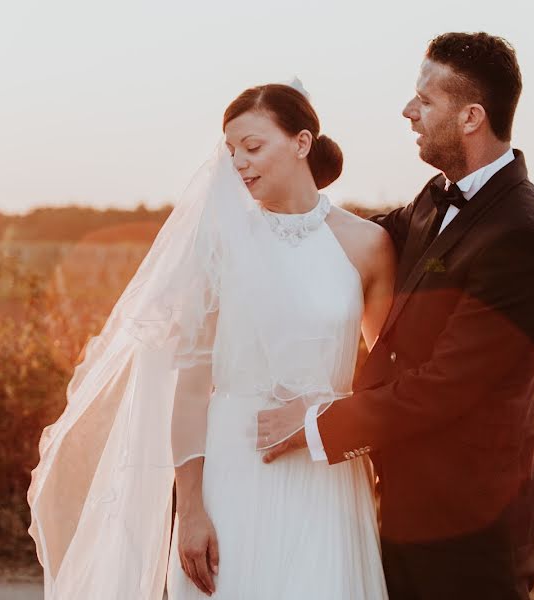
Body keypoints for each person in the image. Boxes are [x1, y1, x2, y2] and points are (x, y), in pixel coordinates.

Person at [27, 80, 395, 599]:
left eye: (253, 146)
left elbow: (385, 378)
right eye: (230, 151)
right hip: (231, 473)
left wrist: (328, 421)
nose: (239, 163)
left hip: (325, 474)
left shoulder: (368, 245)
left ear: (302, 143)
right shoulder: (219, 245)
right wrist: (192, 508)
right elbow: (193, 387)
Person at [260, 32, 534, 600]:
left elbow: (449, 387)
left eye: (424, 100)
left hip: (471, 522)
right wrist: (277, 211)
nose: (408, 111)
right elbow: (368, 236)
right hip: (408, 503)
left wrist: (317, 425)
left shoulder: (520, 236)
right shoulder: (439, 194)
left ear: (472, 116)